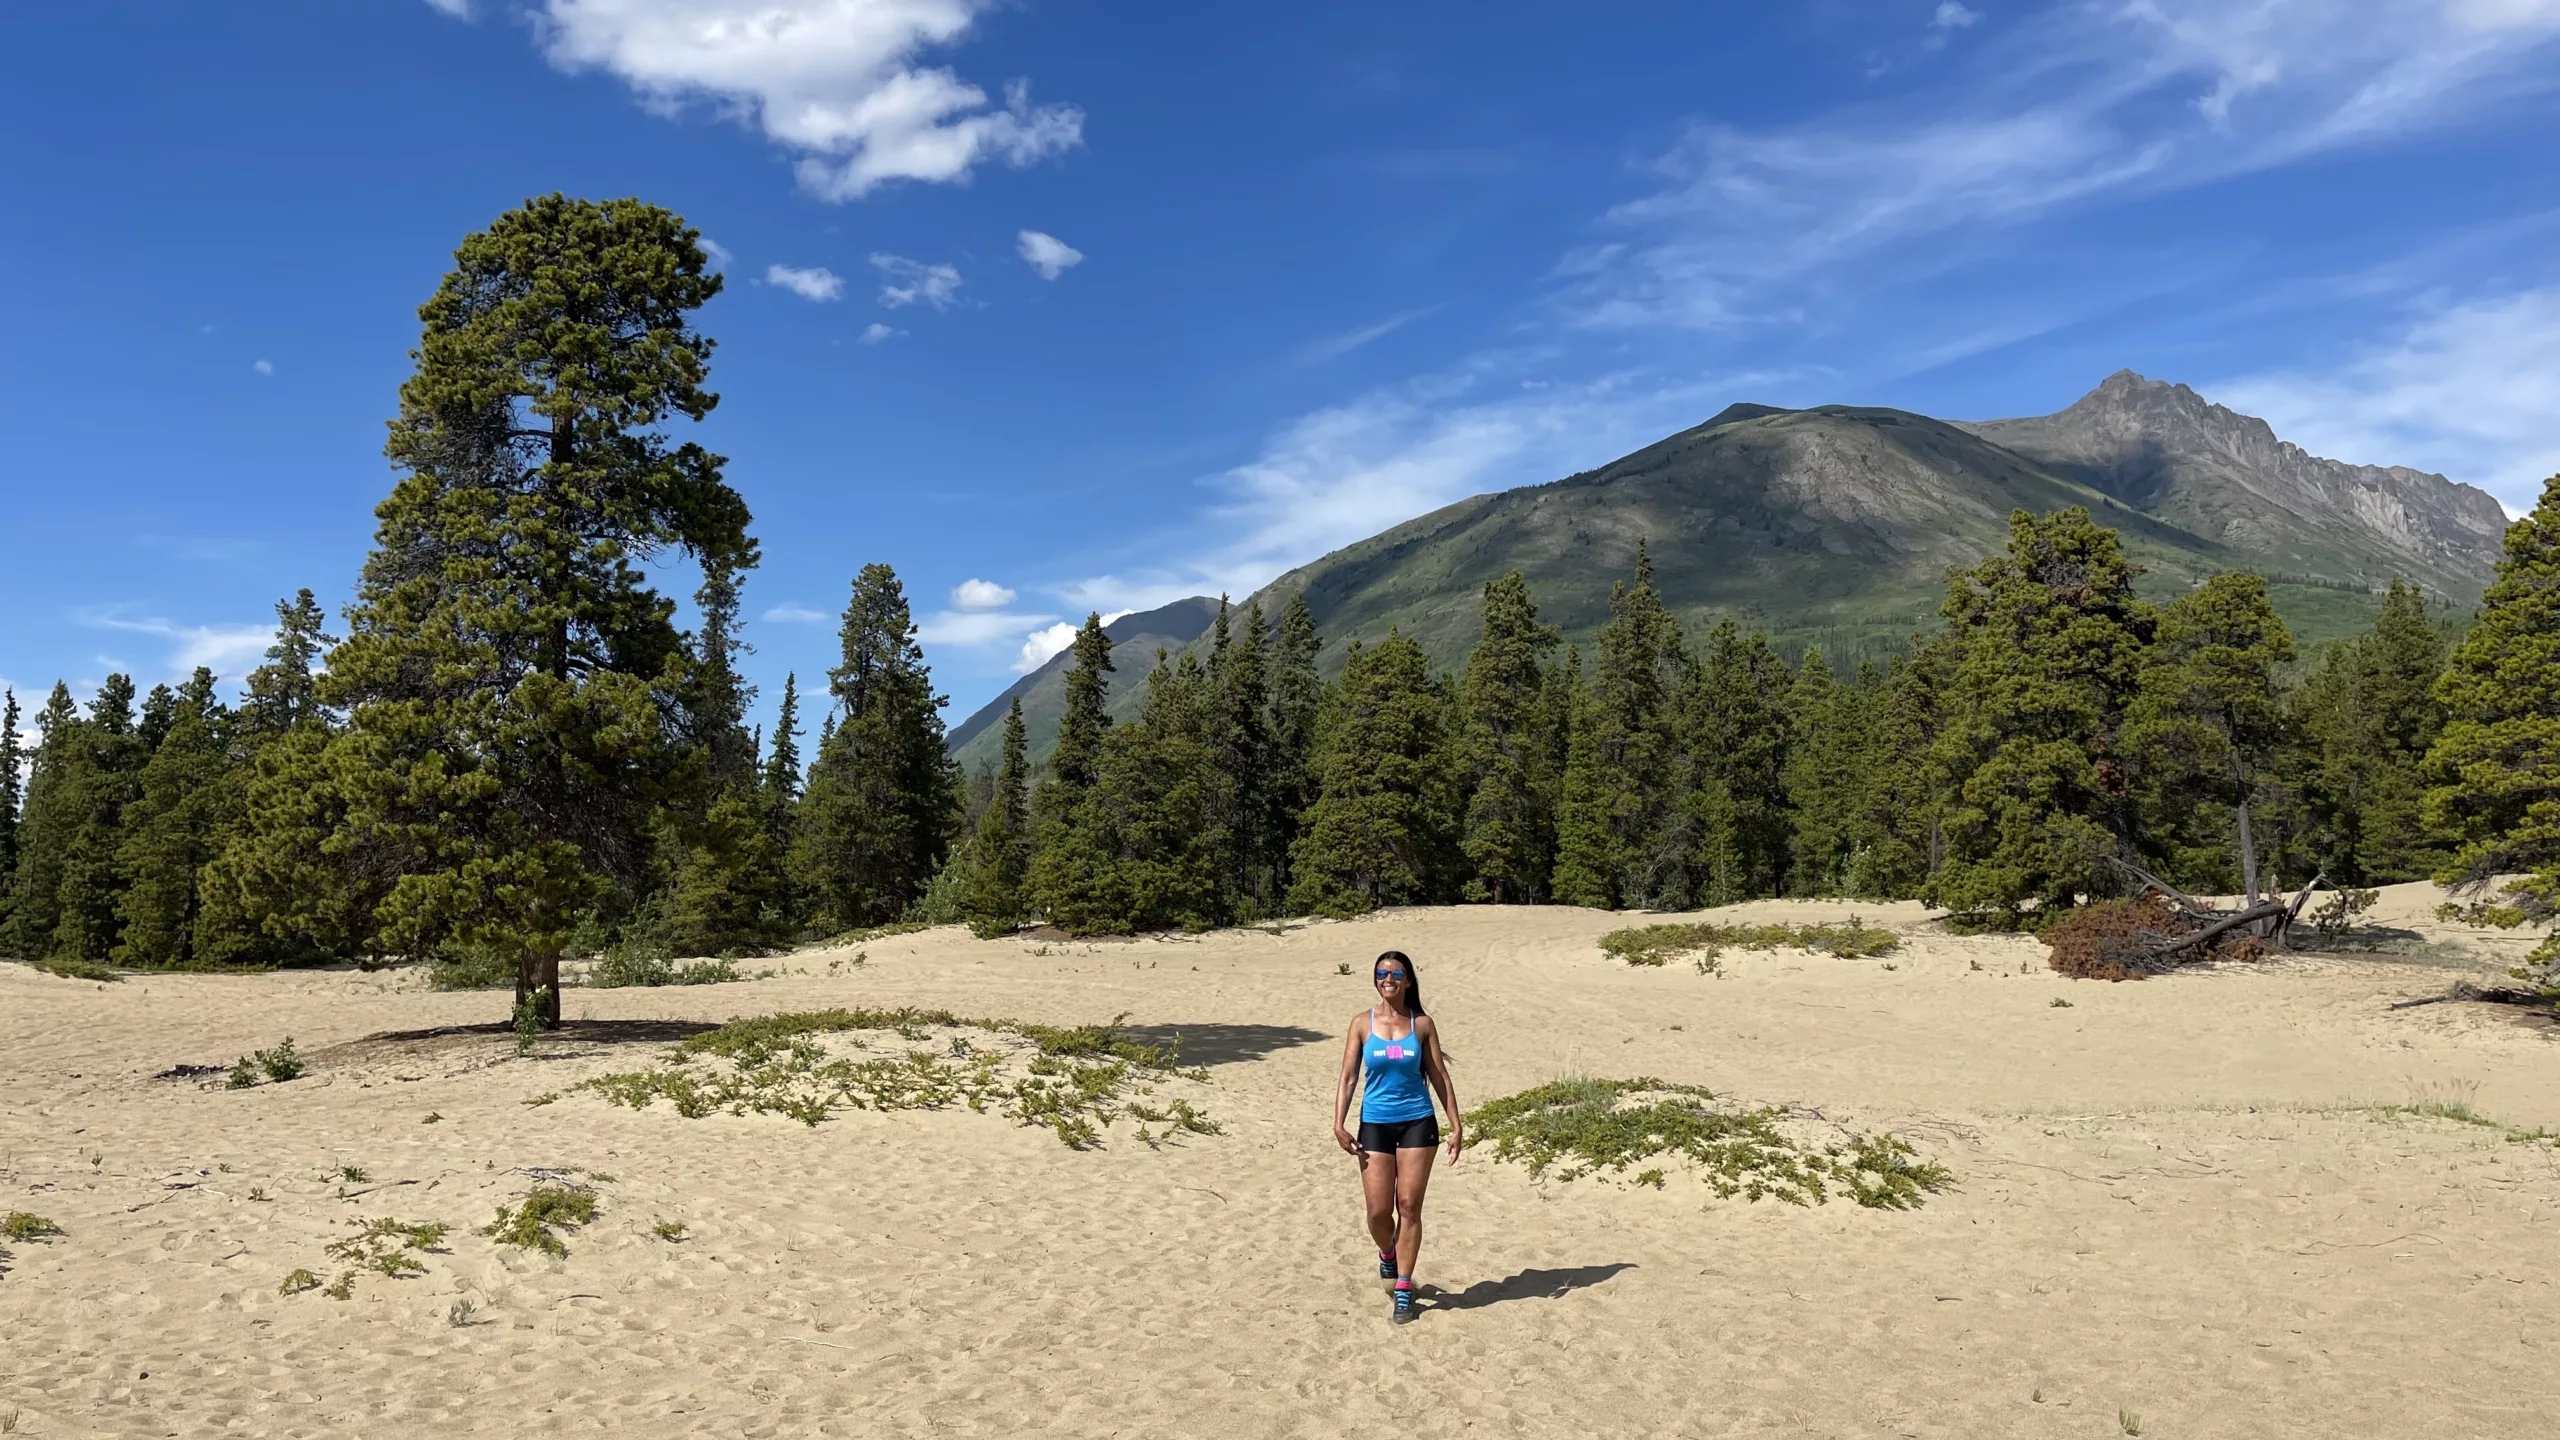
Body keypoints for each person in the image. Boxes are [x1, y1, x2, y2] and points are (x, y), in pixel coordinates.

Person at [1331, 949, 1462, 1324]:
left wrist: (1456, 1125)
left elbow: (1439, 1076)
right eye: (1381, 973)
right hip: (1375, 1123)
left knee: (1408, 1206)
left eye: (1395, 973)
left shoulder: (1421, 1024)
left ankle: (1403, 1288)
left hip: (1418, 1122)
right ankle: (1387, 1251)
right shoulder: (1361, 1023)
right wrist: (1338, 1123)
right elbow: (1348, 1077)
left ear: (1407, 980)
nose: (1388, 979)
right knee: (1377, 1211)